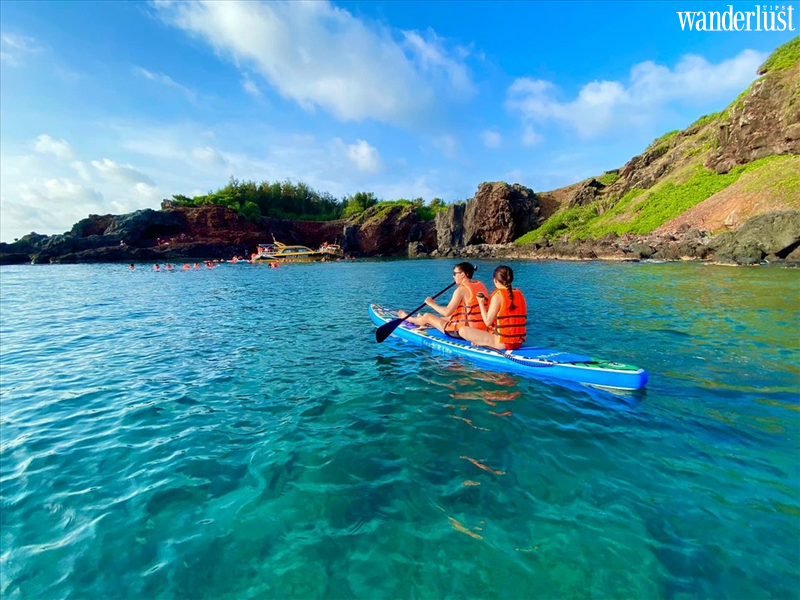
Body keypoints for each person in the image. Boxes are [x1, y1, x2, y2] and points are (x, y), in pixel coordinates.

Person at [398, 262, 489, 338]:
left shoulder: (461, 290)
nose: (453, 276)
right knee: (447, 318)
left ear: (463, 275)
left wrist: (431, 303)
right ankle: (422, 320)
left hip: (462, 332)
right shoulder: (480, 285)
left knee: (428, 316)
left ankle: (409, 318)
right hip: (480, 329)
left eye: (454, 274)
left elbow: (447, 311)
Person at [459, 265, 527, 351]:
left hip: (502, 343)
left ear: (495, 280)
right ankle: (483, 341)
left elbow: (487, 322)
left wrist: (480, 302)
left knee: (462, 330)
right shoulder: (519, 294)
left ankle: (483, 342)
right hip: (518, 343)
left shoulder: (498, 296)